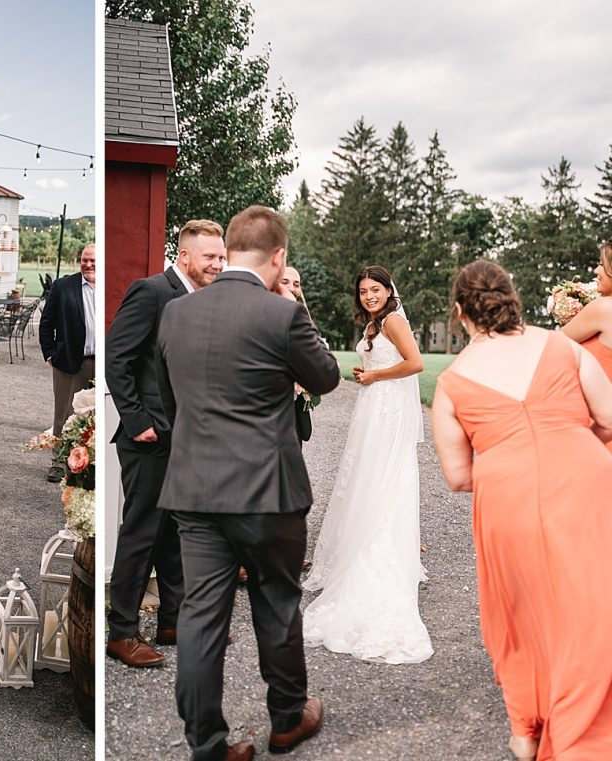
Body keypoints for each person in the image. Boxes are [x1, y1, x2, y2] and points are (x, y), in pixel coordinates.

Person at [157, 206, 339, 760]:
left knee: (199, 615)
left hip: (194, 488)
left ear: (230, 249)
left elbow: (172, 402)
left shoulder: (176, 314)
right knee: (277, 601)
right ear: (278, 255)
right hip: (268, 491)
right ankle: (287, 719)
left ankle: (207, 745)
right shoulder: (281, 315)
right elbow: (326, 377)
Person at [432, 260, 612, 760]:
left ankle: (525, 730)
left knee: (519, 608)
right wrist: (574, 441)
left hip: (506, 495)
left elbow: (458, 475)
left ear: (461, 314)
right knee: (590, 599)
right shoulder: (561, 347)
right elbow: (610, 416)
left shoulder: (453, 380)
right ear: (512, 297)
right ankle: (587, 709)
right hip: (586, 478)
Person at [105, 219, 224, 669]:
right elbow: (118, 357)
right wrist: (137, 422)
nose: (217, 263)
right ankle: (121, 632)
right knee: (141, 535)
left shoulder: (205, 299)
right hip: (150, 439)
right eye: (209, 256)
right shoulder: (152, 291)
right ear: (185, 256)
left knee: (177, 533)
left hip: (189, 437)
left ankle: (173, 622)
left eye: (220, 256)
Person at [302, 265, 432, 665]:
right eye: (362, 291)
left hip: (387, 410)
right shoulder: (377, 322)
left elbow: (416, 363)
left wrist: (375, 376)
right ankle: (364, 539)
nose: (369, 296)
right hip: (374, 408)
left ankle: (383, 547)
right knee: (366, 478)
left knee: (384, 479)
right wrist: (370, 377)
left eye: (375, 289)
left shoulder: (393, 319)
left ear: (388, 289)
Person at [38, 243, 96, 482]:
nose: (88, 264)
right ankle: (59, 463)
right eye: (85, 259)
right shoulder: (64, 286)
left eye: (93, 260)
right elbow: (46, 323)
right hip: (70, 362)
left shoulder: (111, 286)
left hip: (101, 362)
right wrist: (51, 353)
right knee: (64, 414)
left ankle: (86, 464)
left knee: (95, 415)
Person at [561, 240, 612, 451]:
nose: (596, 270)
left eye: (602, 264)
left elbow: (553, 345)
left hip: (600, 427)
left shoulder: (603, 309)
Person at [281, 266, 313, 446]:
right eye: (284, 282)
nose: (292, 288)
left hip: (294, 409)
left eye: (296, 284)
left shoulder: (303, 320)